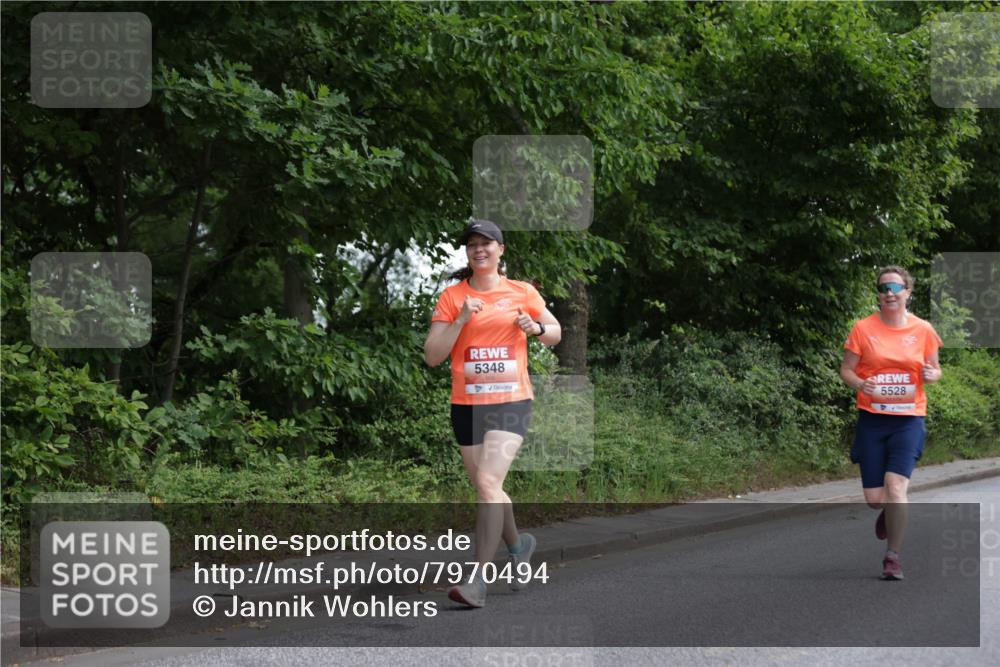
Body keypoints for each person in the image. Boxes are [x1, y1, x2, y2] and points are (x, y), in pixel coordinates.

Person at [423, 219, 561, 608]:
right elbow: (433, 356)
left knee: (487, 481)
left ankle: (477, 582)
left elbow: (555, 331)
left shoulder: (522, 291)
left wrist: (534, 327)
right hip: (466, 406)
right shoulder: (452, 298)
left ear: (501, 251)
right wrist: (462, 319)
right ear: (467, 253)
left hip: (511, 402)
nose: (478, 249)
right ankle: (519, 546)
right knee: (488, 488)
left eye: (487, 243)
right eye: (472, 244)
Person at [840, 265, 943, 580]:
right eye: (884, 288)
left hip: (908, 420)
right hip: (872, 420)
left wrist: (931, 374)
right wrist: (860, 384)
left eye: (896, 288)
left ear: (908, 293)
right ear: (879, 294)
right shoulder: (862, 329)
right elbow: (846, 370)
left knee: (896, 487)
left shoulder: (923, 330)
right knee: (874, 500)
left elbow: (936, 370)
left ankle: (892, 557)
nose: (890, 293)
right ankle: (887, 512)